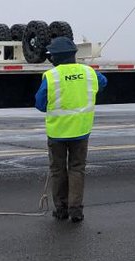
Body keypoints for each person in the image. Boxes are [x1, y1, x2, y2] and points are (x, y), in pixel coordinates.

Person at [35, 36, 106, 223]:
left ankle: (61, 209)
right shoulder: (88, 72)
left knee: (58, 171)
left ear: (55, 57)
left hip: (57, 133)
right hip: (81, 132)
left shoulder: (51, 76)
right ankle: (76, 210)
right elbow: (103, 83)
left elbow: (40, 104)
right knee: (77, 169)